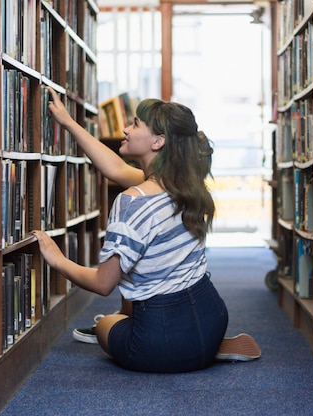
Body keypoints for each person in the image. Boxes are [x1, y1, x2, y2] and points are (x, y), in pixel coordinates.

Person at [31, 87, 261, 373]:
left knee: (106, 324)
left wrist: (58, 260)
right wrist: (69, 123)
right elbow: (114, 168)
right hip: (212, 315)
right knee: (137, 271)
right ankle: (205, 346)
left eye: (136, 124)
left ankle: (162, 339)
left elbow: (104, 284)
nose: (126, 129)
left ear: (158, 141)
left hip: (160, 339)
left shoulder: (132, 203)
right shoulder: (184, 186)